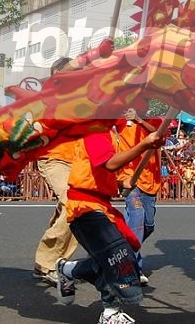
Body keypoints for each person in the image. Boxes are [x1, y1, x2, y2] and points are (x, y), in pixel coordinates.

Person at [55, 123, 164, 324]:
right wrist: (144, 144)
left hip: (101, 205)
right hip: (85, 206)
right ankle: (110, 313)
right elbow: (109, 164)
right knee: (117, 256)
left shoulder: (109, 133)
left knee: (123, 253)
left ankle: (68, 270)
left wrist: (122, 183)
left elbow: (99, 173)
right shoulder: (95, 130)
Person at [32, 57, 81, 285]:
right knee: (72, 203)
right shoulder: (47, 96)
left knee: (76, 207)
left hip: (78, 160)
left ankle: (53, 260)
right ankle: (47, 263)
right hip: (54, 158)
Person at [116, 108, 161, 285]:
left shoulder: (155, 120)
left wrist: (139, 120)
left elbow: (159, 136)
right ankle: (132, 268)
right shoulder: (121, 119)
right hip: (130, 177)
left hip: (150, 181)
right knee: (137, 217)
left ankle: (119, 248)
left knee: (148, 226)